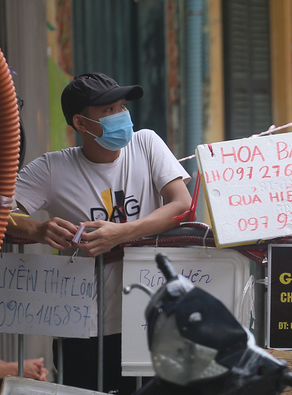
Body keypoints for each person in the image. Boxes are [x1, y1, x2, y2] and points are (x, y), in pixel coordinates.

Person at [7, 73, 192, 394]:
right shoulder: (52, 169)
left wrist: (120, 233)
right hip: (81, 325)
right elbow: (2, 215)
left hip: (149, 317)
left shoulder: (146, 144)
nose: (121, 116)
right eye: (107, 110)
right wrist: (37, 229)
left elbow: (181, 204)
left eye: (122, 107)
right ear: (81, 123)